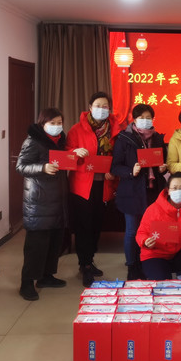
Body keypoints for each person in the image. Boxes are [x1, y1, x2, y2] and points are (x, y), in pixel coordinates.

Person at [66, 91, 120, 287]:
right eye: (98, 106)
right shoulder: (76, 129)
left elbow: (120, 156)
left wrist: (114, 172)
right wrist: (74, 152)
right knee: (84, 227)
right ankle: (86, 265)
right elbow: (65, 153)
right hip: (82, 186)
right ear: (90, 107)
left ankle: (89, 260)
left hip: (104, 185)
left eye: (105, 106)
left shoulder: (115, 130)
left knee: (97, 226)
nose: (101, 109)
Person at [16, 108, 69, 301]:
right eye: (52, 123)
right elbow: (21, 166)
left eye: (59, 123)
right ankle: (26, 283)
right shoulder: (33, 141)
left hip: (57, 199)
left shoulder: (60, 141)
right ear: (42, 123)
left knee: (54, 242)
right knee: (36, 245)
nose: (56, 126)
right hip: (38, 202)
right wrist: (42, 167)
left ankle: (46, 276)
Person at [111, 104, 167, 280]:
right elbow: (115, 166)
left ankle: (147, 262)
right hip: (132, 192)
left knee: (151, 230)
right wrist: (130, 171)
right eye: (141, 117)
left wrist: (163, 168)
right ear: (134, 119)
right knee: (132, 231)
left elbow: (164, 161)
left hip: (153, 192)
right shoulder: (124, 138)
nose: (145, 120)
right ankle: (132, 265)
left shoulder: (157, 138)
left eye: (148, 117)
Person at [136, 172, 181, 281]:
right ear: (168, 190)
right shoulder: (153, 209)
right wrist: (145, 241)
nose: (178, 191)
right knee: (163, 283)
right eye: (174, 188)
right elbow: (141, 233)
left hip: (178, 253)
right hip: (156, 255)